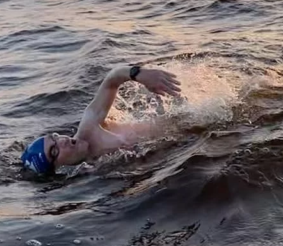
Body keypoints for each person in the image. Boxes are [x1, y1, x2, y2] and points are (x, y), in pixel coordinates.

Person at [21, 65, 181, 175]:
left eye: (54, 137)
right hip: (178, 149)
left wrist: (138, 74)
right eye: (54, 151)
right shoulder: (94, 171)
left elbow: (111, 80)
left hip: (184, 121)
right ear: (57, 169)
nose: (61, 141)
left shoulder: (89, 127)